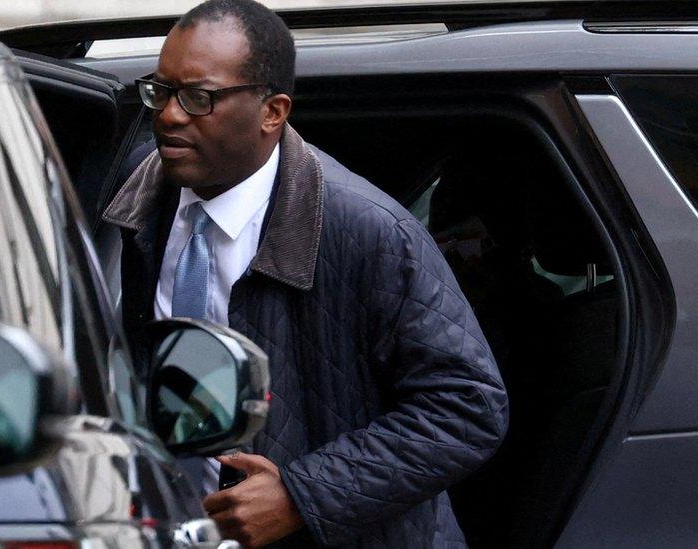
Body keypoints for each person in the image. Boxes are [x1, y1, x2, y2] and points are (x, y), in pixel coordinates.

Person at [100, 0, 509, 546]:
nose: (169, 115)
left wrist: (302, 495)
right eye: (161, 90)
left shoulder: (367, 231)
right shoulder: (143, 196)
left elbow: (468, 406)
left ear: (272, 111)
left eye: (199, 97)